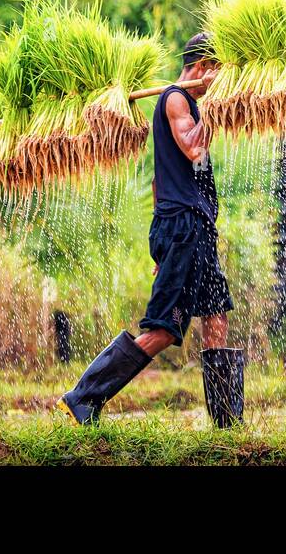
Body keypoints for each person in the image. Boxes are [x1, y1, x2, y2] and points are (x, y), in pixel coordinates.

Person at [57, 32, 244, 427]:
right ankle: (84, 395)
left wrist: (164, 241)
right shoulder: (177, 98)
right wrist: (214, 106)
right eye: (219, 70)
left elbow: (165, 180)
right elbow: (194, 149)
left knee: (216, 315)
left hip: (192, 229)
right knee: (162, 330)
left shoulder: (190, 103)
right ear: (203, 67)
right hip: (183, 229)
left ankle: (227, 423)